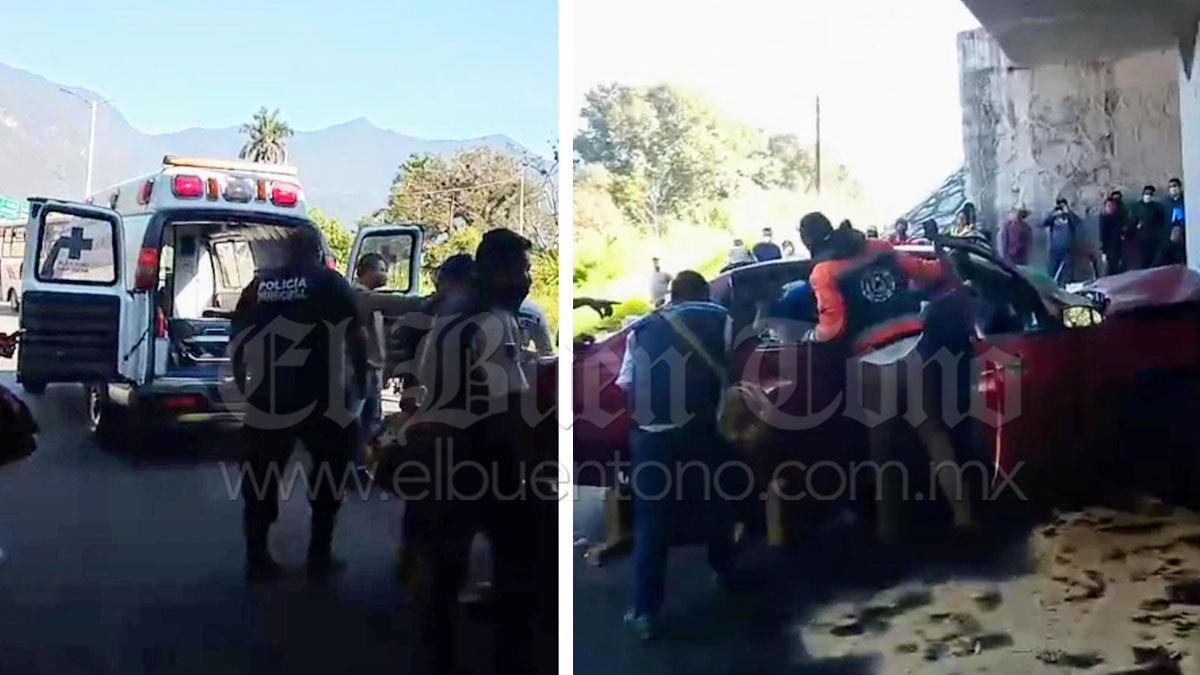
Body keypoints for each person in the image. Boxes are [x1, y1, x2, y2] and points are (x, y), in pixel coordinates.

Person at [799, 211, 977, 544]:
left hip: (871, 360)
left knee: (882, 448)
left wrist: (810, 337)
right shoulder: (880, 248)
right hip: (915, 347)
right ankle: (963, 515)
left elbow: (832, 327)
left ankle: (889, 532)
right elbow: (930, 272)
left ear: (807, 241)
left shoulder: (824, 272)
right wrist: (946, 257)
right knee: (935, 436)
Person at [231, 226, 368, 583]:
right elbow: (356, 336)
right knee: (330, 475)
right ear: (318, 251)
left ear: (286, 252)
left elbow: (238, 335)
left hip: (268, 396)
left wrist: (242, 379)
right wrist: (361, 383)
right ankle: (319, 555)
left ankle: (256, 557)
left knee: (260, 478)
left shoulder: (260, 285)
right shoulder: (330, 283)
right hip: (322, 395)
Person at [616, 271, 742, 640]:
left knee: (651, 521)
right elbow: (732, 373)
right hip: (700, 426)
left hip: (650, 433)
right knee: (717, 499)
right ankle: (724, 571)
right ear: (704, 293)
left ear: (672, 295)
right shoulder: (721, 317)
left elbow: (626, 382)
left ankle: (644, 612)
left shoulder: (640, 327)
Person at [352, 252, 425, 449]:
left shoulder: (368, 298)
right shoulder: (360, 296)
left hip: (371, 370)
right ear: (367, 271)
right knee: (361, 421)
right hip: (363, 371)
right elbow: (395, 303)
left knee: (371, 422)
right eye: (382, 270)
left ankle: (364, 457)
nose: (386, 275)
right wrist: (428, 301)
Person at [1042, 199, 1079, 283]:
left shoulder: (1070, 217)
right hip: (1054, 248)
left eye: (1063, 205)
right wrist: (1053, 213)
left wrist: (1068, 212)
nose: (1061, 208)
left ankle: (1064, 286)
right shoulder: (1053, 216)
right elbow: (1044, 223)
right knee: (1052, 271)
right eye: (1059, 206)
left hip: (1067, 249)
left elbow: (1077, 223)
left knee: (1066, 273)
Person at [1132, 185, 1168, 269]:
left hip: (1154, 237)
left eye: (1150, 194)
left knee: (1154, 260)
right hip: (1141, 237)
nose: (1148, 196)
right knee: (1143, 260)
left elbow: (1161, 222)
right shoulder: (1137, 206)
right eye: (1146, 193)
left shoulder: (1157, 207)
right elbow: (1133, 221)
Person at [1157, 177, 1186, 266]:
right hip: (1169, 235)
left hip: (1184, 234)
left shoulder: (1185, 200)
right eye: (1170, 187)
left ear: (1180, 187)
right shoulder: (1166, 203)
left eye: (1174, 186)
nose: (1172, 189)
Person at [1100, 197, 1126, 275]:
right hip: (1109, 248)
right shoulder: (1104, 219)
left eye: (1112, 205)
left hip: (1118, 246)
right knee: (1109, 269)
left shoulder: (1118, 218)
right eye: (1108, 206)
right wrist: (1104, 251)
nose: (1110, 208)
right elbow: (1103, 235)